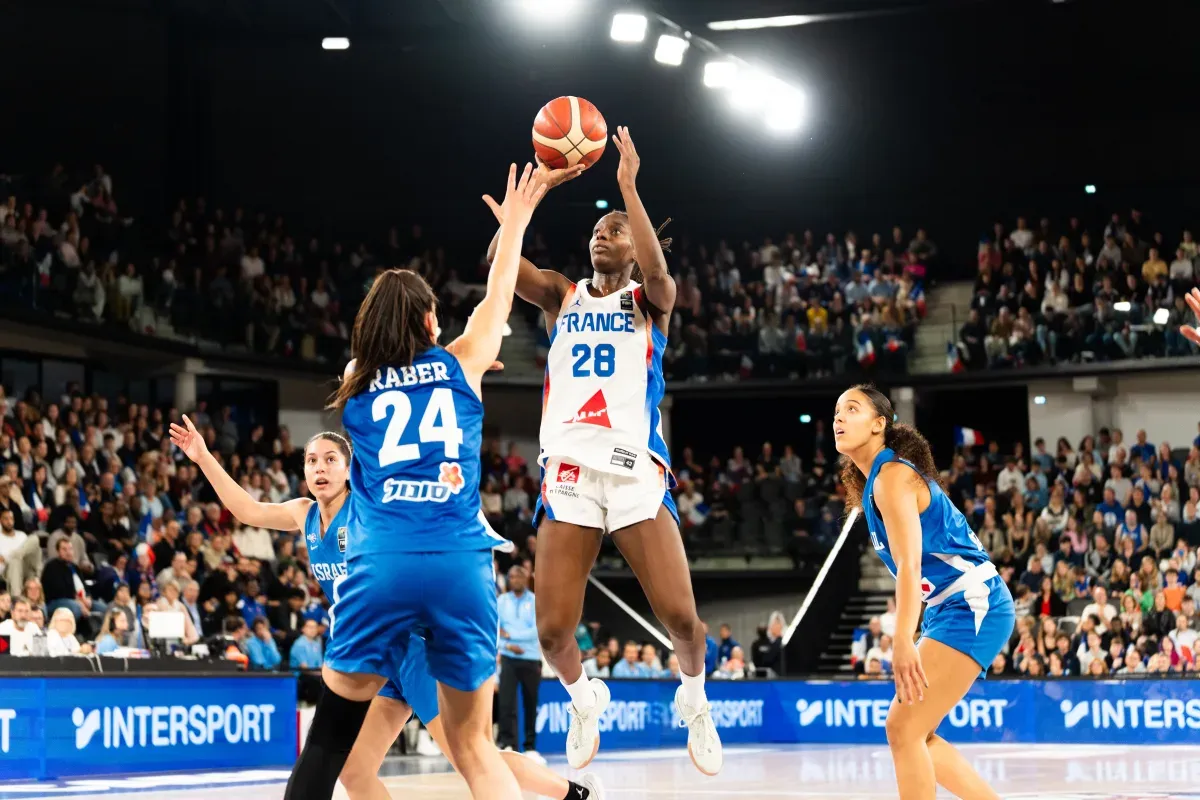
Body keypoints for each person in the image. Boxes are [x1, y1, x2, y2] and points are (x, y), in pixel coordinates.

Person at [170, 424, 600, 800]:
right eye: (311, 461)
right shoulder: (303, 514)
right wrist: (204, 457)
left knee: (473, 756)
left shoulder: (369, 509)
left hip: (414, 649)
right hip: (373, 655)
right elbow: (246, 509)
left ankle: (574, 794)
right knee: (354, 771)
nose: (319, 469)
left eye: (330, 460)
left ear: (349, 467)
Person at [484, 128, 721, 774]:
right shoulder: (564, 294)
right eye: (600, 229)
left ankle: (695, 702)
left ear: (634, 249)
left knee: (683, 620)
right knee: (553, 632)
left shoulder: (650, 304)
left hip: (633, 471)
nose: (604, 235)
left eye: (617, 231)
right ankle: (585, 698)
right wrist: (521, 215)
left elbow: (664, 275)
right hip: (568, 473)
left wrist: (627, 189)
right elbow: (500, 270)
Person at [835, 384, 1015, 800]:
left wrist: (901, 639)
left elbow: (911, 567)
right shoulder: (875, 483)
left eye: (852, 409)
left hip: (972, 601)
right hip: (950, 606)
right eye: (837, 411)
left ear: (880, 424)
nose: (839, 418)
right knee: (917, 732)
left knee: (902, 727)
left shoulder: (892, 476)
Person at [496, 565, 543, 761]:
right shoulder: (501, 601)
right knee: (506, 703)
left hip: (531, 658)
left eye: (520, 576)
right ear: (508, 579)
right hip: (508, 658)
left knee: (530, 703)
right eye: (512, 576)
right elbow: (496, 629)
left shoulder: (535, 601)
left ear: (526, 579)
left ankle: (530, 747)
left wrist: (511, 636)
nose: (516, 579)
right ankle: (507, 744)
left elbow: (537, 630)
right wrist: (508, 645)